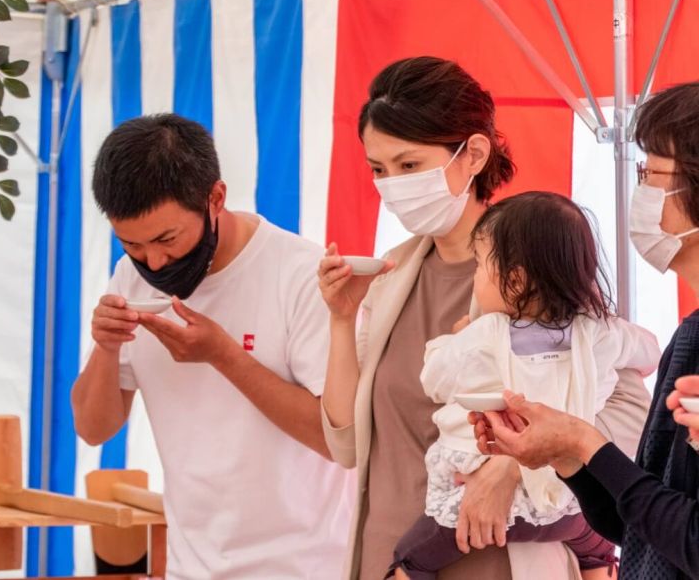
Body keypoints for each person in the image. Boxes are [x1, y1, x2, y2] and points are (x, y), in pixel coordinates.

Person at [317, 56, 652, 580]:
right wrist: (341, 320)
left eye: (408, 166)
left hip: (503, 561)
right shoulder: (389, 276)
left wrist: (512, 463)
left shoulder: (532, 270)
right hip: (386, 555)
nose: (392, 185)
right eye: (378, 170)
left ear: (473, 154)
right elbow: (346, 446)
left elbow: (631, 419)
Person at [71, 114, 353, 579]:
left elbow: (337, 441)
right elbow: (93, 428)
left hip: (308, 565)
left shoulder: (302, 276)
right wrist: (104, 347)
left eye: (166, 239)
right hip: (192, 566)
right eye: (132, 245)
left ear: (215, 199)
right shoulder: (130, 276)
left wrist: (223, 355)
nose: (154, 262)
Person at [471, 81, 699, 578]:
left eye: (652, 173)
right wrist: (567, 454)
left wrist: (585, 442)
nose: (641, 191)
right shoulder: (689, 335)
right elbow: (639, 522)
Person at [389, 192, 660, 580]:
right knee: (597, 537)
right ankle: (600, 562)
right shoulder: (602, 332)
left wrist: (450, 341)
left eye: (480, 266)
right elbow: (650, 353)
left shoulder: (484, 334)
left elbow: (435, 379)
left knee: (413, 555)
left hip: (482, 504)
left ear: (514, 281)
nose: (476, 277)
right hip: (568, 502)